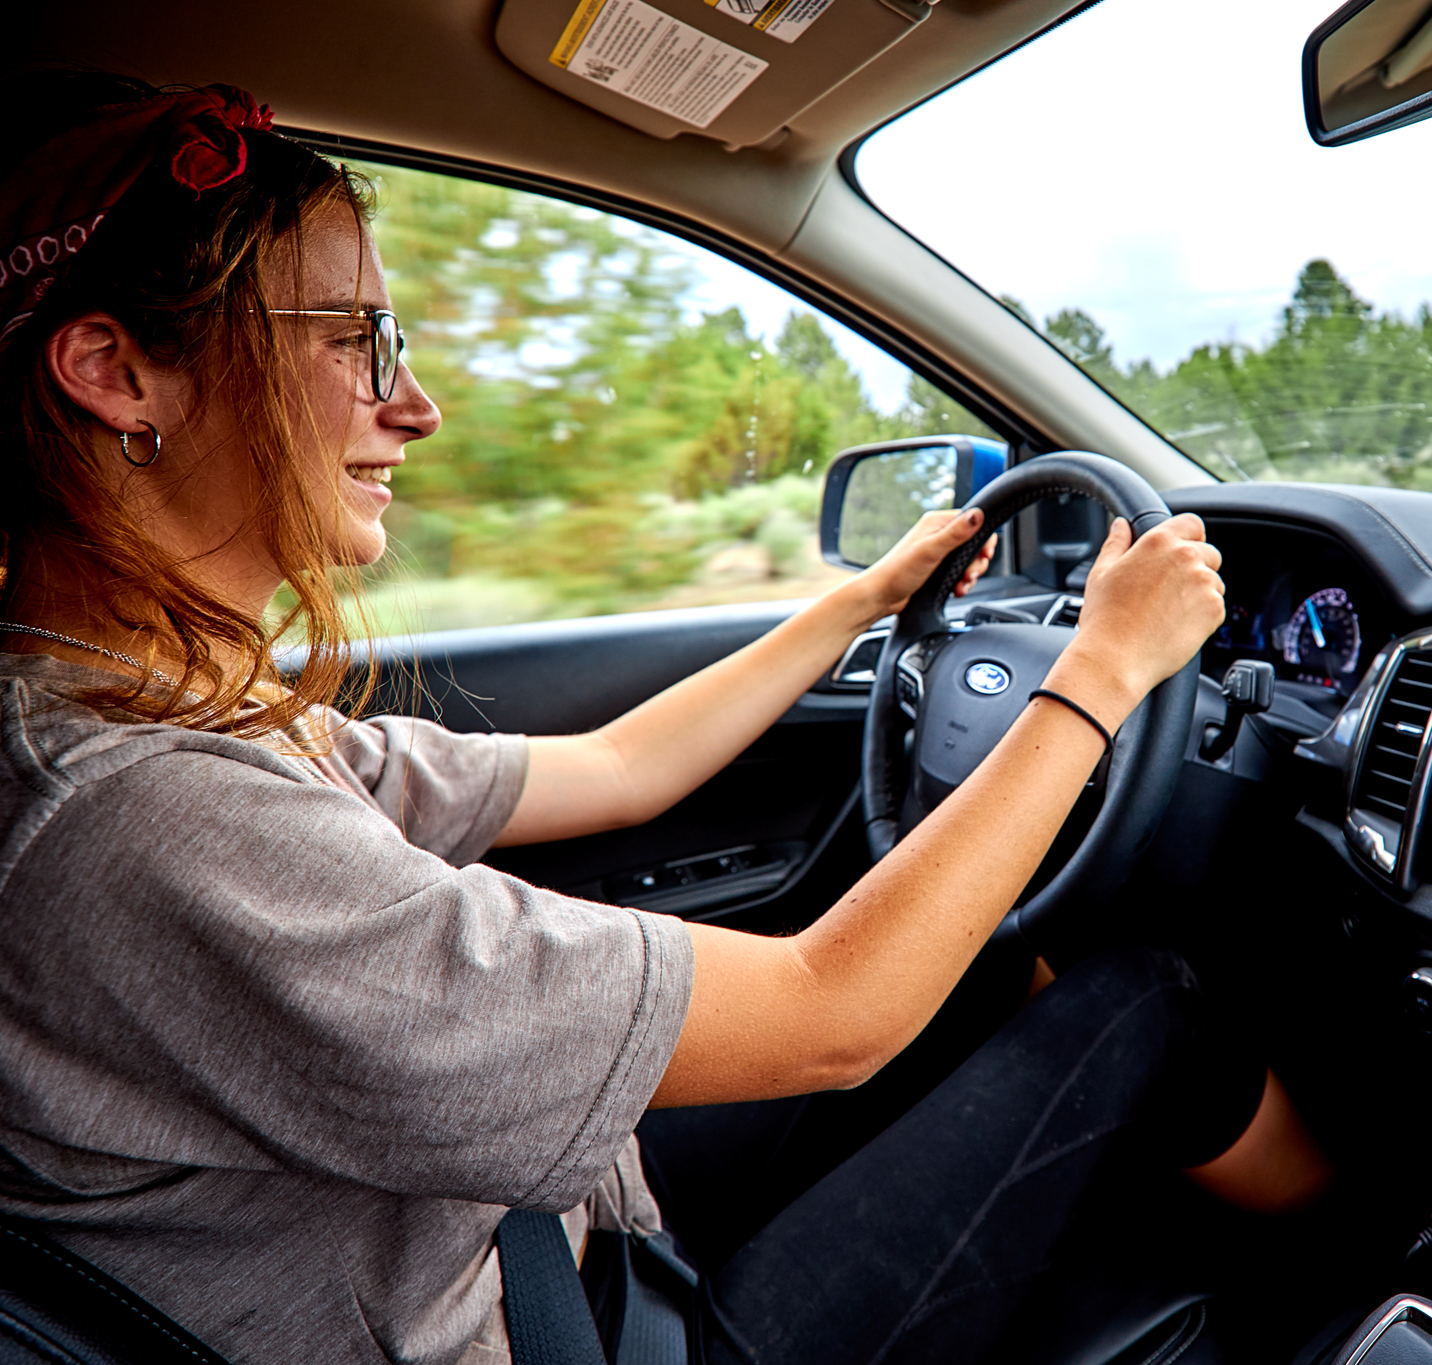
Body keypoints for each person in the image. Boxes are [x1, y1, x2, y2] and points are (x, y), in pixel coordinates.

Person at [0, 74, 1328, 1365]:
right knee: (1153, 1006)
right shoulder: (149, 816)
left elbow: (621, 766)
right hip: (586, 1327)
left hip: (527, 1233)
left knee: (984, 959)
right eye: (357, 341)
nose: (418, 406)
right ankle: (1369, 1271)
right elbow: (835, 1009)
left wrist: (863, 601)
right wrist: (1100, 671)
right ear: (117, 372)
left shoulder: (165, 710)